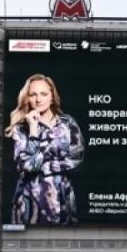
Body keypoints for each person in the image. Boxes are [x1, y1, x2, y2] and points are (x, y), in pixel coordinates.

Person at [5, 74, 85, 225]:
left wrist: (45, 165)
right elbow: (28, 166)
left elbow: (77, 159)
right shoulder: (20, 129)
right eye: (33, 94)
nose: (38, 99)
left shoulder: (68, 123)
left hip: (62, 200)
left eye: (43, 94)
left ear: (52, 97)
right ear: (27, 98)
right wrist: (33, 129)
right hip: (30, 203)